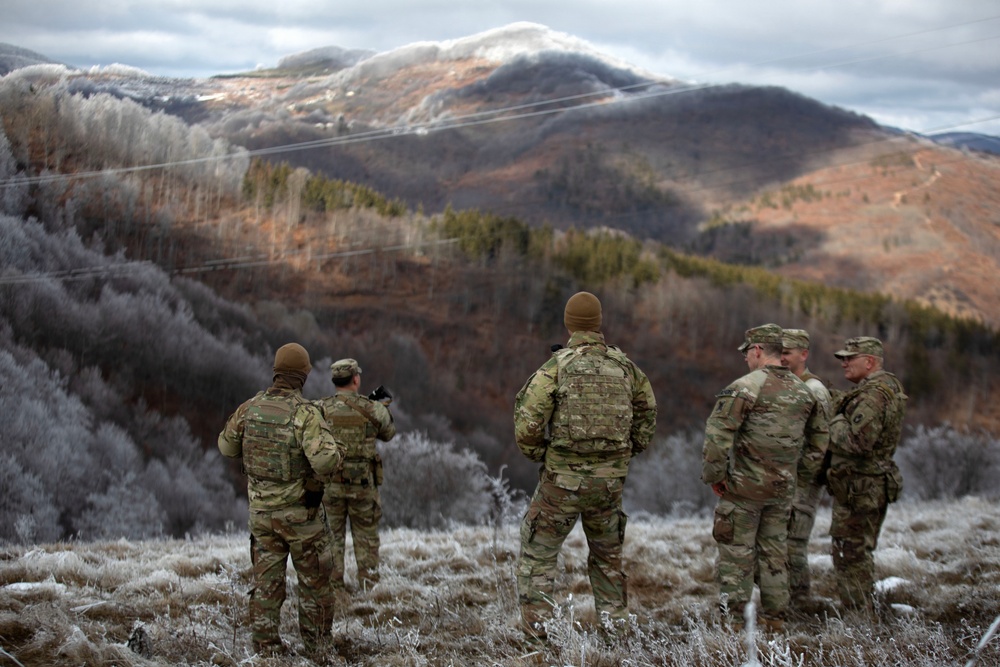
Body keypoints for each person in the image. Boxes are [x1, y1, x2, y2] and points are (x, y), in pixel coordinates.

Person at [514, 291, 656, 640]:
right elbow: (647, 414)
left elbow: (527, 424)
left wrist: (544, 456)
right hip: (609, 485)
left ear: (568, 324)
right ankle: (617, 635)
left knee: (538, 556)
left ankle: (538, 639)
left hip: (561, 482)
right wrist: (622, 456)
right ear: (599, 323)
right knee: (608, 560)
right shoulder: (626, 368)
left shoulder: (556, 367)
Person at [218, 343, 344, 657]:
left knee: (266, 585)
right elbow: (327, 461)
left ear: (276, 372)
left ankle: (265, 651)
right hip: (301, 518)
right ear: (303, 375)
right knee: (315, 586)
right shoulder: (305, 414)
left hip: (261, 516)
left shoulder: (249, 408)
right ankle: (318, 651)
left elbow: (226, 447)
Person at [702, 324, 828, 632]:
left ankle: (734, 623)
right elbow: (819, 440)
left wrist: (715, 476)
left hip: (744, 488)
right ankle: (775, 621)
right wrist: (798, 476)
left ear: (757, 350)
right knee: (775, 555)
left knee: (736, 553)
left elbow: (717, 435)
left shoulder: (745, 387)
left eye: (747, 352)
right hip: (782, 490)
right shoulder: (803, 390)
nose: (746, 358)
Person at [827, 336, 907, 614]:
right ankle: (863, 613)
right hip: (866, 484)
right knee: (857, 553)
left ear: (869, 361)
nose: (844, 363)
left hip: (861, 486)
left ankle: (859, 620)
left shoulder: (874, 395)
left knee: (850, 555)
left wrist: (834, 421)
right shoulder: (884, 388)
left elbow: (857, 442)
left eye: (850, 358)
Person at [317, 358, 396, 591]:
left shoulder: (320, 408)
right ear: (356, 379)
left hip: (330, 487)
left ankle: (333, 591)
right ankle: (369, 589)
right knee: (367, 538)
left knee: (331, 538)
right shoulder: (372, 409)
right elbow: (389, 433)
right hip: (363, 487)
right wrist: (380, 407)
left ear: (334, 381)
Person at [779, 329, 832, 608]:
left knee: (794, 541)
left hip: (803, 481)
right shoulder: (787, 386)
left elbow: (820, 443)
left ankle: (800, 602)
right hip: (785, 479)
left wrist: (802, 478)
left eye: (787, 352)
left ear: (804, 354)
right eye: (780, 352)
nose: (783, 358)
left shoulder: (814, 390)